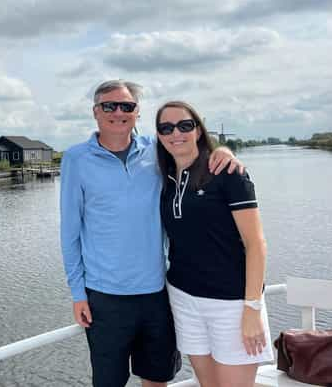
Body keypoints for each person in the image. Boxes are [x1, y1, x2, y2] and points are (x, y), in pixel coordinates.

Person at [60, 80, 242, 387]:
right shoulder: (76, 160)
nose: (118, 112)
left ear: (137, 112)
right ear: (95, 112)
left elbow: (195, 155)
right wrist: (78, 293)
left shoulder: (157, 152)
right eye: (109, 106)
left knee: (156, 378)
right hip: (105, 297)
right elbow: (70, 232)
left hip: (157, 293)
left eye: (127, 106)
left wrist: (224, 151)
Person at [156, 100, 273, 387]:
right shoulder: (167, 178)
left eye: (185, 125)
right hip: (184, 299)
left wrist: (252, 309)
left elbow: (255, 244)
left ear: (198, 130)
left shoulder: (228, 173)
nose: (176, 133)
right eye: (166, 127)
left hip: (231, 303)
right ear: (158, 135)